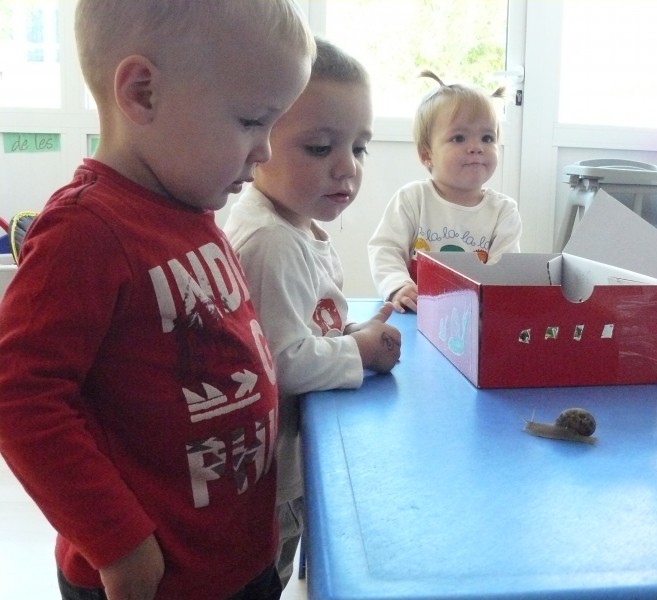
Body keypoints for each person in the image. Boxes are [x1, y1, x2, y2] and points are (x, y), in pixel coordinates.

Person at [0, 2, 314, 599]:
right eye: (252, 121)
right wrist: (120, 544)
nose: (265, 152)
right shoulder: (86, 230)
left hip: (234, 558)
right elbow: (18, 395)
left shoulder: (189, 208)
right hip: (155, 579)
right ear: (143, 93)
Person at [224, 37, 402, 588]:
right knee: (266, 575)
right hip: (266, 477)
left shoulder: (296, 225)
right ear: (258, 144)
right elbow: (280, 361)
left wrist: (349, 331)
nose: (347, 167)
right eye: (321, 148)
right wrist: (359, 351)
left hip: (291, 456)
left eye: (359, 148)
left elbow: (303, 321)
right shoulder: (271, 242)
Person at [368, 70, 523, 313]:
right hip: (416, 312)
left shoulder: (504, 211)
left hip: (474, 316)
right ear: (426, 154)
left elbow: (505, 271)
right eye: (459, 138)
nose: (476, 147)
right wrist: (398, 286)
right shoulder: (413, 199)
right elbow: (385, 248)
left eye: (487, 138)